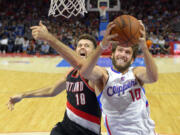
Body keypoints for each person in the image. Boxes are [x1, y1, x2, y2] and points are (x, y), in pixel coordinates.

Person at [30, 20, 158, 135]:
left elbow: (153, 77)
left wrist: (144, 47)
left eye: (128, 52)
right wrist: (102, 45)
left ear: (132, 60)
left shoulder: (136, 73)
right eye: (120, 50)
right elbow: (81, 66)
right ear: (112, 55)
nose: (123, 54)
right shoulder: (103, 76)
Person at [7, 34, 103, 135]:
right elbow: (52, 90)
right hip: (65, 128)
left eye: (87, 46)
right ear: (75, 51)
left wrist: (48, 37)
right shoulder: (71, 73)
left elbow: (82, 66)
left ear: (94, 53)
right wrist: (23, 95)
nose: (82, 47)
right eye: (80, 45)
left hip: (87, 132)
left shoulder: (96, 74)